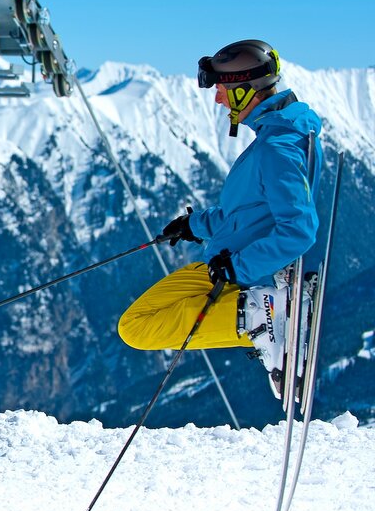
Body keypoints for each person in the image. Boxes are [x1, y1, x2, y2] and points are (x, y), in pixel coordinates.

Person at [117, 39, 323, 397]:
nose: (218, 99)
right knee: (132, 322)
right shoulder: (274, 137)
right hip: (224, 263)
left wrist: (238, 269)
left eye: (224, 90)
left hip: (241, 277)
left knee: (138, 329)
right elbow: (246, 214)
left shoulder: (278, 147)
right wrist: (194, 225)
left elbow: (299, 230)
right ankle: (261, 314)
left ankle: (261, 316)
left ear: (246, 91)